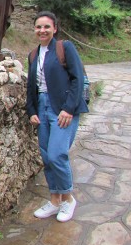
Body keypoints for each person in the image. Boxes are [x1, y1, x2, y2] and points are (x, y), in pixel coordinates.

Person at [26, 11, 89, 223]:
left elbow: (77, 79)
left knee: (56, 154)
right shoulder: (33, 54)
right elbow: (31, 86)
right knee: (46, 157)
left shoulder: (65, 48)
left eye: (46, 27)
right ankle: (54, 201)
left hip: (62, 109)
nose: (42, 30)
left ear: (54, 28)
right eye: (38, 27)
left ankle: (68, 199)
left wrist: (69, 108)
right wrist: (32, 111)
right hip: (42, 109)